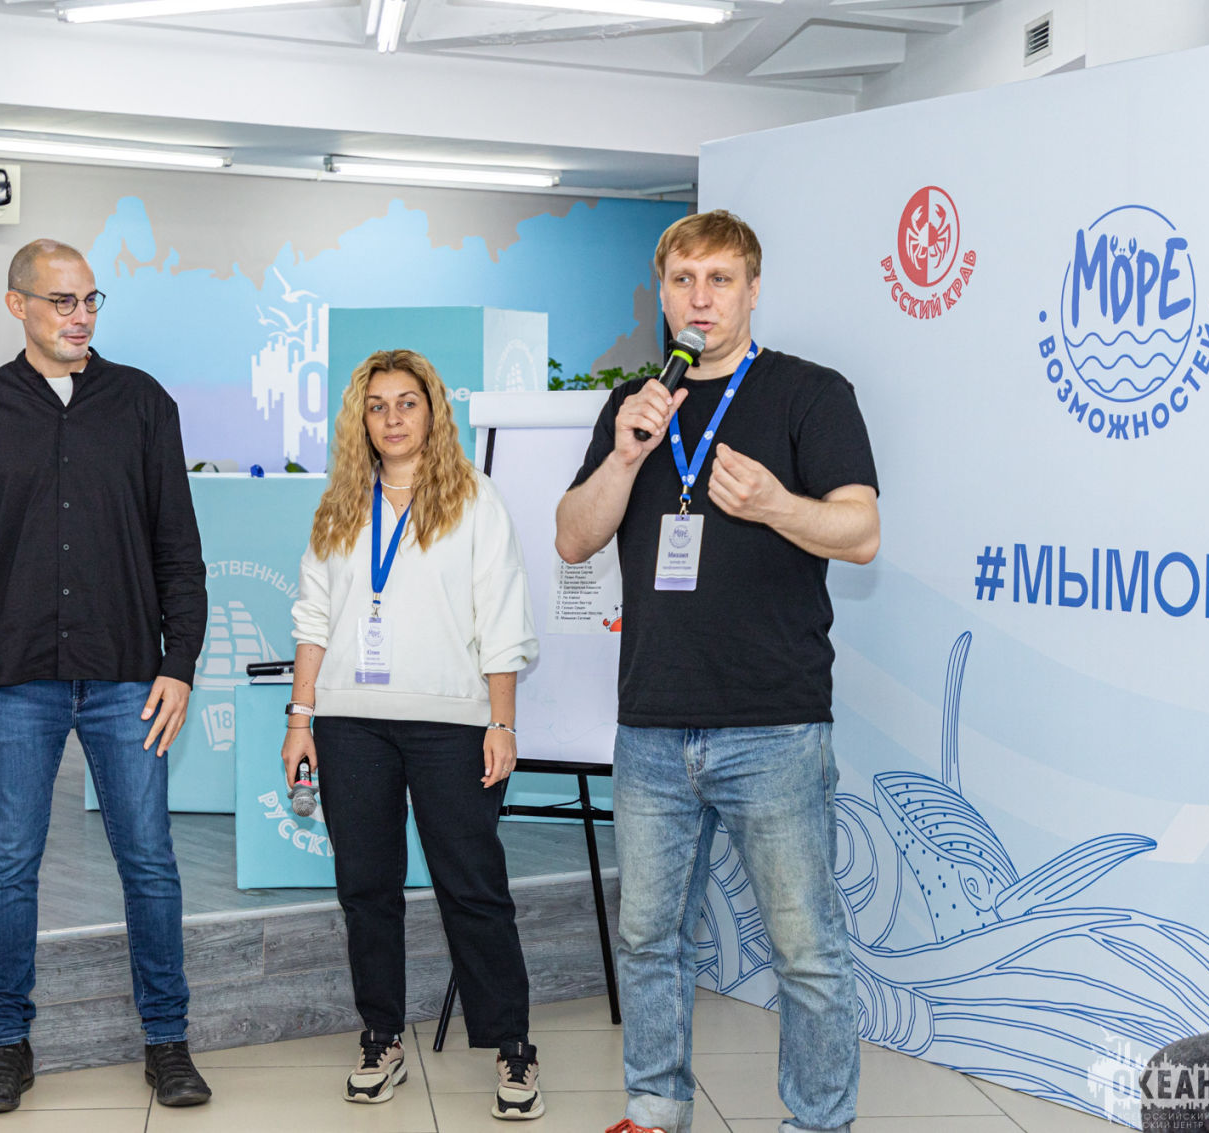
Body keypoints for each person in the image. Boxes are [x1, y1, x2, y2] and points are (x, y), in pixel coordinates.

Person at [555, 210, 880, 1133]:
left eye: (721, 279)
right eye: (683, 280)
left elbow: (861, 531)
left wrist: (778, 504)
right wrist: (626, 456)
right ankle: (655, 1108)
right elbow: (573, 537)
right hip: (652, 723)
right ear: (662, 293)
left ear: (752, 288)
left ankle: (818, 1121)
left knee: (805, 947)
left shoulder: (810, 393)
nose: (701, 299)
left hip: (773, 723)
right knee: (648, 939)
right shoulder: (636, 405)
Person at [0, 238, 212, 1114]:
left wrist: (179, 663)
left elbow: (179, 551)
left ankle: (167, 1039)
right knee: (9, 866)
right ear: (18, 305)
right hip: (16, 679)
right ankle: (7, 1045)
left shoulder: (143, 405)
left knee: (149, 862)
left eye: (91, 300)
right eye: (63, 301)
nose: (81, 317)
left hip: (128, 678)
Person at [283, 348, 545, 1120]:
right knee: (366, 888)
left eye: (406, 402)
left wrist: (502, 720)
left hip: (452, 723)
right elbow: (312, 618)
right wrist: (300, 719)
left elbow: (502, 617)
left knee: (473, 886)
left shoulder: (475, 498)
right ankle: (381, 1036)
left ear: (433, 410)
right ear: (359, 420)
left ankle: (513, 1044)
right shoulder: (340, 502)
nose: (392, 418)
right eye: (377, 405)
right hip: (349, 722)